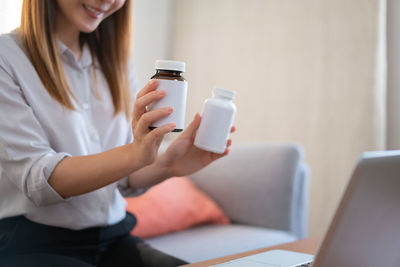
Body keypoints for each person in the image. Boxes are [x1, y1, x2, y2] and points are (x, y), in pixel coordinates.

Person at [0, 0, 235, 266]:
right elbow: (39, 181)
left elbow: (121, 177)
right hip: (32, 242)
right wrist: (134, 153)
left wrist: (168, 164)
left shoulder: (116, 62)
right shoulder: (6, 57)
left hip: (114, 238)